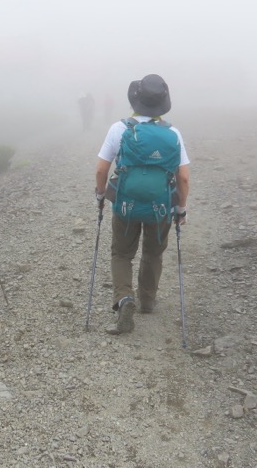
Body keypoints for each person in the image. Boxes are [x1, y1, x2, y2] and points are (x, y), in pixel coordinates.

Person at [94, 74, 190, 334]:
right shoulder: (172, 133)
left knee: (122, 254)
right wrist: (181, 209)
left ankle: (124, 298)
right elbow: (183, 177)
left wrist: (100, 196)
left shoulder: (119, 129)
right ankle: (147, 301)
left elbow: (102, 170)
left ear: (135, 101)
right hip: (161, 206)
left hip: (125, 204)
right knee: (153, 252)